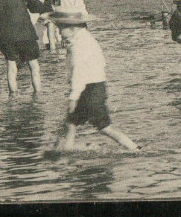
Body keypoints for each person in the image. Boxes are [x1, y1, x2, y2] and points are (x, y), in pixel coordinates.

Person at [52, 10, 138, 152]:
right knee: (71, 122)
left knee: (104, 127)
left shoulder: (79, 46)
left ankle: (133, 148)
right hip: (95, 87)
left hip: (89, 90)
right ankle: (64, 150)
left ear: (73, 28)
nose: (59, 32)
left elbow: (78, 73)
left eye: (61, 28)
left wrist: (73, 97)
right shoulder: (86, 39)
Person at [0, 0, 48, 96]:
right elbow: (36, 7)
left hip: (5, 37)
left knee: (11, 67)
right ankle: (38, 95)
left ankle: (13, 97)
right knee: (34, 66)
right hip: (25, 33)